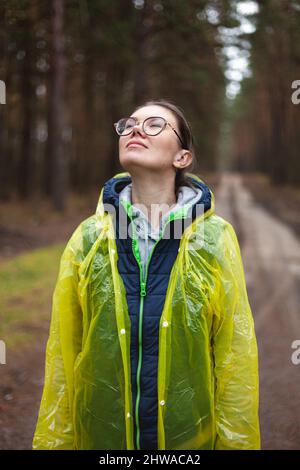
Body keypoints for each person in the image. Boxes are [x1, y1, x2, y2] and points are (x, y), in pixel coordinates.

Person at [32, 99, 261, 450]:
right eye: (129, 124)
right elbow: (64, 356)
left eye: (154, 124)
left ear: (182, 157)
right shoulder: (88, 239)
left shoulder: (214, 239)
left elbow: (235, 357)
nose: (135, 129)